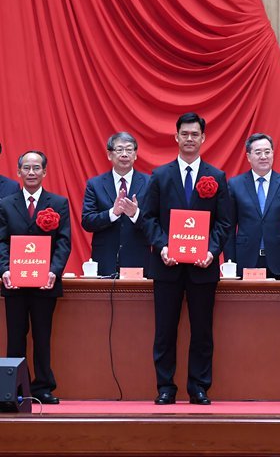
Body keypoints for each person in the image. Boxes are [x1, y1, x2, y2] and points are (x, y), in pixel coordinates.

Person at [143, 112, 231, 405]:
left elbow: (224, 222)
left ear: (203, 138)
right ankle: (165, 387)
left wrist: (211, 251)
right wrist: (162, 246)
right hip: (166, 266)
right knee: (164, 331)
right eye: (185, 134)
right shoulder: (160, 176)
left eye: (195, 134)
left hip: (203, 268)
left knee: (202, 331)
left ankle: (199, 387)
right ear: (176, 137)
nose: (190, 139)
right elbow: (148, 218)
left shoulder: (216, 177)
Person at [0, 151, 71, 404]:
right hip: (15, 283)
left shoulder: (59, 203)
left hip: (45, 284)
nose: (31, 172)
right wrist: (4, 270)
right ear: (18, 172)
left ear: (45, 172)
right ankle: (16, 388)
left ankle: (42, 387)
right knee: (15, 337)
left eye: (36, 168)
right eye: (27, 168)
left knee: (42, 336)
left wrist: (54, 271)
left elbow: (64, 242)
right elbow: (1, 242)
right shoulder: (5, 204)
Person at [226, 133, 280, 279]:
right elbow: (229, 229)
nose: (263, 156)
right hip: (246, 260)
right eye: (258, 152)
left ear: (273, 154)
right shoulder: (235, 185)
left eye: (267, 152)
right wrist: (230, 265)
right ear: (248, 156)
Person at [81, 132, 151, 276]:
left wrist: (135, 214)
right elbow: (87, 221)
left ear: (135, 155)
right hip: (105, 259)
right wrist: (112, 213)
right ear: (109, 155)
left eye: (129, 150)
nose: (124, 154)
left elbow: (156, 223)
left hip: (138, 259)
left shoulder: (149, 183)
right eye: (119, 150)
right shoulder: (95, 184)